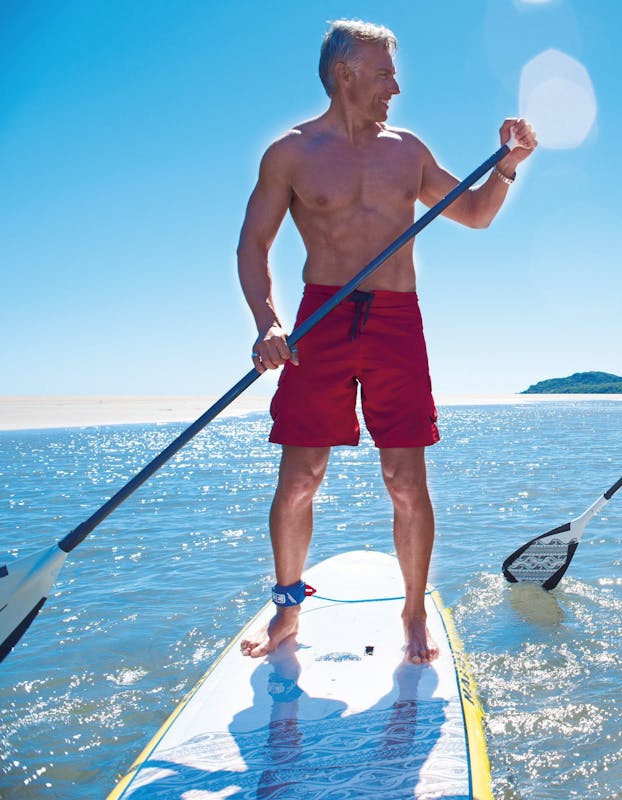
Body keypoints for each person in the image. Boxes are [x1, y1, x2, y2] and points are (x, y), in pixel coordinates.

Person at [236, 19, 537, 663]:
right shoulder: (290, 153)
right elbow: (252, 245)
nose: (395, 86)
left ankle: (413, 613)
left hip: (398, 319)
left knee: (406, 479)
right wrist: (268, 320)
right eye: (383, 73)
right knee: (300, 477)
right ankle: (288, 609)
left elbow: (477, 214)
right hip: (319, 319)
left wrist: (507, 168)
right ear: (344, 73)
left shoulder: (408, 151)